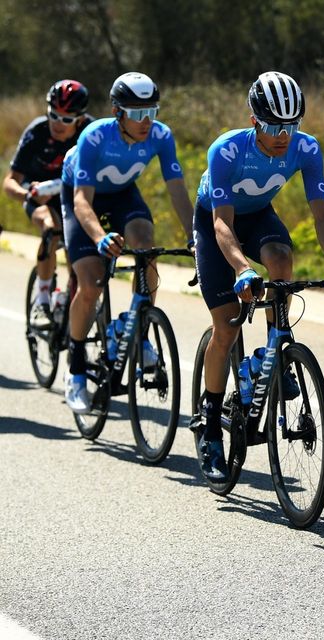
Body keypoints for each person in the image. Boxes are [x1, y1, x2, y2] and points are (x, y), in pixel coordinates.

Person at [193, 71, 324, 482]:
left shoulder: (305, 148)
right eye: (273, 126)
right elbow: (221, 224)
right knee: (226, 326)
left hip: (259, 217)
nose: (283, 135)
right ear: (254, 121)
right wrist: (243, 269)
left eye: (291, 125)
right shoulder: (227, 150)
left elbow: (321, 214)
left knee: (283, 260)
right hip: (218, 222)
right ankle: (211, 424)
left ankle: (274, 352)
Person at [61, 72, 194, 413]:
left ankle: (139, 330)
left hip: (122, 195)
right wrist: (99, 237)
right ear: (117, 112)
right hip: (83, 198)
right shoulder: (94, 136)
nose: (146, 121)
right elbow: (81, 202)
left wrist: (197, 238)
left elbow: (177, 191)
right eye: (137, 114)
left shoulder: (161, 136)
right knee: (90, 283)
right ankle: (75, 370)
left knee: (145, 245)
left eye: (152, 111)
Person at [3, 80, 93, 327]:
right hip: (41, 198)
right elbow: (10, 182)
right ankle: (42, 301)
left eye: (66, 119)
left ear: (80, 118)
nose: (57, 124)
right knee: (50, 226)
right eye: (53, 115)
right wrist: (27, 195)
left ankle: (73, 300)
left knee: (83, 255)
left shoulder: (91, 133)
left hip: (76, 198)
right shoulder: (38, 132)